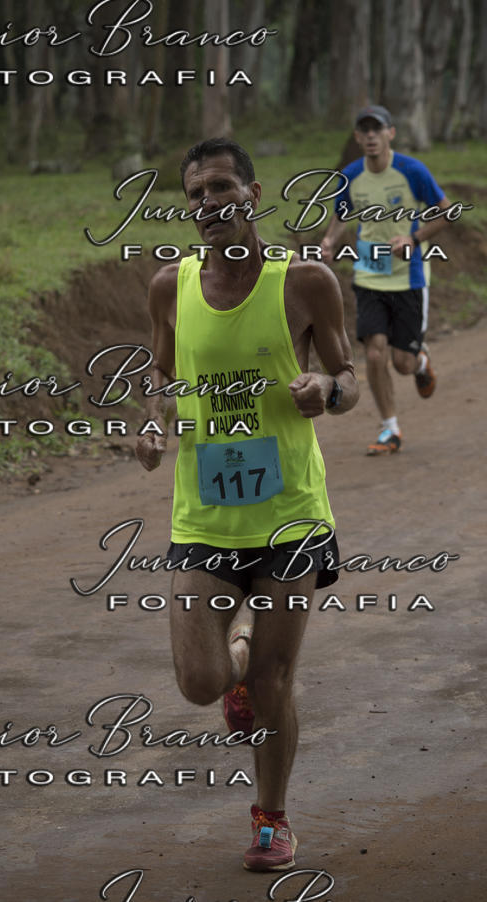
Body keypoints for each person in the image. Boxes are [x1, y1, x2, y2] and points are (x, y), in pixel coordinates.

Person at [136, 137, 359, 871]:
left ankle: (271, 818)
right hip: (204, 514)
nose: (208, 206)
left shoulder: (306, 281)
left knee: (274, 682)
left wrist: (325, 391)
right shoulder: (170, 286)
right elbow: (162, 378)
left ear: (254, 195)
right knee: (203, 682)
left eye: (222, 189)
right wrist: (152, 423)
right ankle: (234, 663)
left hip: (291, 511)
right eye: (195, 195)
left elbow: (346, 375)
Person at [321, 105, 449, 455]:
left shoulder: (412, 171)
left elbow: (445, 213)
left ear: (390, 133)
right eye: (365, 131)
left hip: (408, 278)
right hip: (369, 274)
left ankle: (420, 362)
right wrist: (330, 240)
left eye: (378, 130)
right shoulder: (350, 175)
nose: (371, 136)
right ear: (358, 138)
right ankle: (390, 429)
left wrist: (414, 239)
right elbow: (341, 216)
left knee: (401, 363)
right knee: (374, 355)